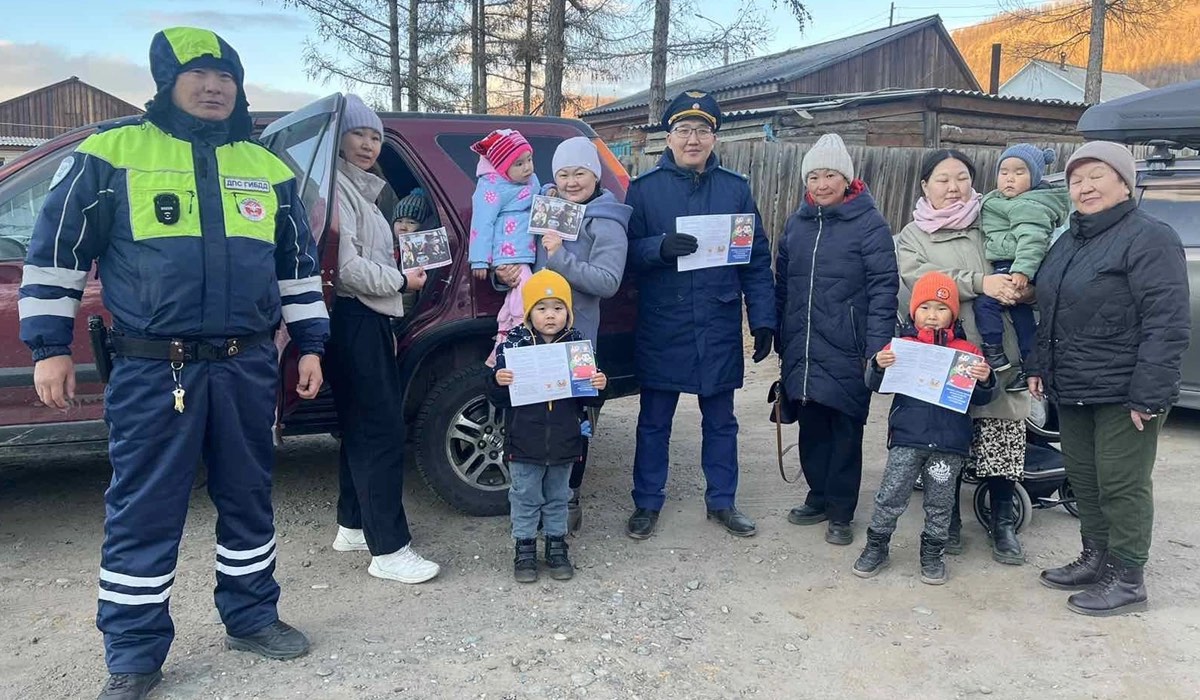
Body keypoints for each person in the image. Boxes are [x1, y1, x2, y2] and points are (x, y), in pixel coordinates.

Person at [16, 27, 329, 699]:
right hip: (156, 368)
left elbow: (297, 269)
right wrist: (48, 348)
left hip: (246, 364)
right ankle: (133, 654)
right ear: (167, 81)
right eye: (199, 73)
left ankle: (252, 617)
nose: (214, 86)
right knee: (144, 506)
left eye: (226, 75)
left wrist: (310, 344)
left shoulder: (268, 167)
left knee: (248, 495)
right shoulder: (111, 153)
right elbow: (57, 252)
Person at [1028, 142, 1189, 616]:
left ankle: (1128, 577)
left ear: (1124, 181)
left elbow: (1168, 323)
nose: (1085, 187)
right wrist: (1039, 365)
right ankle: (1095, 558)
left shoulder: (1150, 238)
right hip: (1075, 385)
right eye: (1077, 179)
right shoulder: (1069, 240)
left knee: (1122, 482)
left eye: (1097, 176)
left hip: (1124, 390)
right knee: (1085, 478)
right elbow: (1049, 308)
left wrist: (1149, 393)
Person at [622, 90, 776, 540]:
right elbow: (623, 254)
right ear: (668, 138)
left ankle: (723, 501)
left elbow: (756, 257)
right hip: (663, 323)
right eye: (684, 131)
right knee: (654, 421)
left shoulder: (735, 188)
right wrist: (657, 248)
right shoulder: (644, 191)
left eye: (703, 130)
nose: (693, 139)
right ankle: (647, 502)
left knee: (722, 421)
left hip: (717, 321)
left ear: (714, 137)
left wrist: (762, 317)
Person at [325, 95, 440, 585]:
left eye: (375, 136)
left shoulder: (362, 192)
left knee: (360, 426)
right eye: (359, 134)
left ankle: (353, 525)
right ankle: (389, 549)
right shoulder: (337, 192)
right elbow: (346, 270)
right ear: (338, 139)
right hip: (354, 317)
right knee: (381, 431)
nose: (369, 144)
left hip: (364, 320)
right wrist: (399, 280)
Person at [894, 149, 1030, 565]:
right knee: (946, 437)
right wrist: (982, 282)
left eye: (962, 179)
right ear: (924, 187)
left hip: (998, 350)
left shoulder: (994, 221)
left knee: (1002, 431)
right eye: (942, 179)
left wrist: (1020, 284)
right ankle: (947, 516)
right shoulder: (911, 236)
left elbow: (1024, 259)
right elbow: (921, 280)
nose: (953, 188)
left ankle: (1002, 522)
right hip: (942, 353)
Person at [500, 136, 630, 533]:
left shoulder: (607, 220)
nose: (572, 182)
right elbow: (522, 255)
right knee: (533, 417)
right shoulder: (549, 207)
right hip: (534, 336)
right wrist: (504, 270)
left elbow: (607, 281)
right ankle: (531, 505)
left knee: (573, 422)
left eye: (580, 173)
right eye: (563, 173)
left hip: (576, 340)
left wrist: (560, 257)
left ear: (595, 175)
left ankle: (567, 500)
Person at [775, 133, 898, 546]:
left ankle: (841, 512)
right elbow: (782, 285)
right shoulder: (796, 224)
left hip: (848, 345)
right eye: (813, 176)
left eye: (829, 175)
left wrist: (877, 346)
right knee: (811, 425)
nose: (821, 184)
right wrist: (778, 333)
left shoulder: (869, 224)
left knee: (845, 428)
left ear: (846, 178)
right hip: (804, 345)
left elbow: (884, 288)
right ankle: (818, 495)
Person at [854, 272, 994, 584]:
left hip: (949, 443)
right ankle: (876, 546)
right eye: (925, 307)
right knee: (890, 494)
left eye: (941, 308)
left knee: (940, 502)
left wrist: (985, 379)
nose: (933, 315)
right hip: (907, 437)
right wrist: (877, 365)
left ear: (953, 314)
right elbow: (876, 385)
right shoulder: (902, 347)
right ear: (914, 311)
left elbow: (982, 397)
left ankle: (932, 553)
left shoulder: (968, 353)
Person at [487, 270, 607, 582]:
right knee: (525, 496)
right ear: (528, 313)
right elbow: (499, 399)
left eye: (557, 307)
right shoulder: (514, 346)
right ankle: (524, 548)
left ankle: (557, 546)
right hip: (525, 441)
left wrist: (599, 384)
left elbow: (590, 400)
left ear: (567, 312)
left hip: (566, 441)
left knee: (558, 497)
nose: (550, 315)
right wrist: (498, 382)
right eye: (541, 308)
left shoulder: (577, 345)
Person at [977, 144, 1070, 390]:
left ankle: (994, 350)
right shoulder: (1002, 200)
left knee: (985, 303)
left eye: (1019, 173)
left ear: (1035, 177)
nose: (1010, 178)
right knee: (1022, 317)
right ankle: (1030, 368)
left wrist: (1022, 271)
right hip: (1012, 264)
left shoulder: (1028, 205)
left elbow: (1033, 239)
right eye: (1004, 172)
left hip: (1014, 265)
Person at [465, 129, 540, 362]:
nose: (527, 167)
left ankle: (500, 346)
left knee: (513, 297)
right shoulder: (491, 188)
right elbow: (481, 223)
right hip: (508, 253)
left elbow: (540, 198)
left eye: (529, 159)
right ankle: (521, 334)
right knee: (526, 293)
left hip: (524, 251)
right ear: (502, 168)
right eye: (519, 163)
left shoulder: (531, 180)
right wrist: (480, 260)